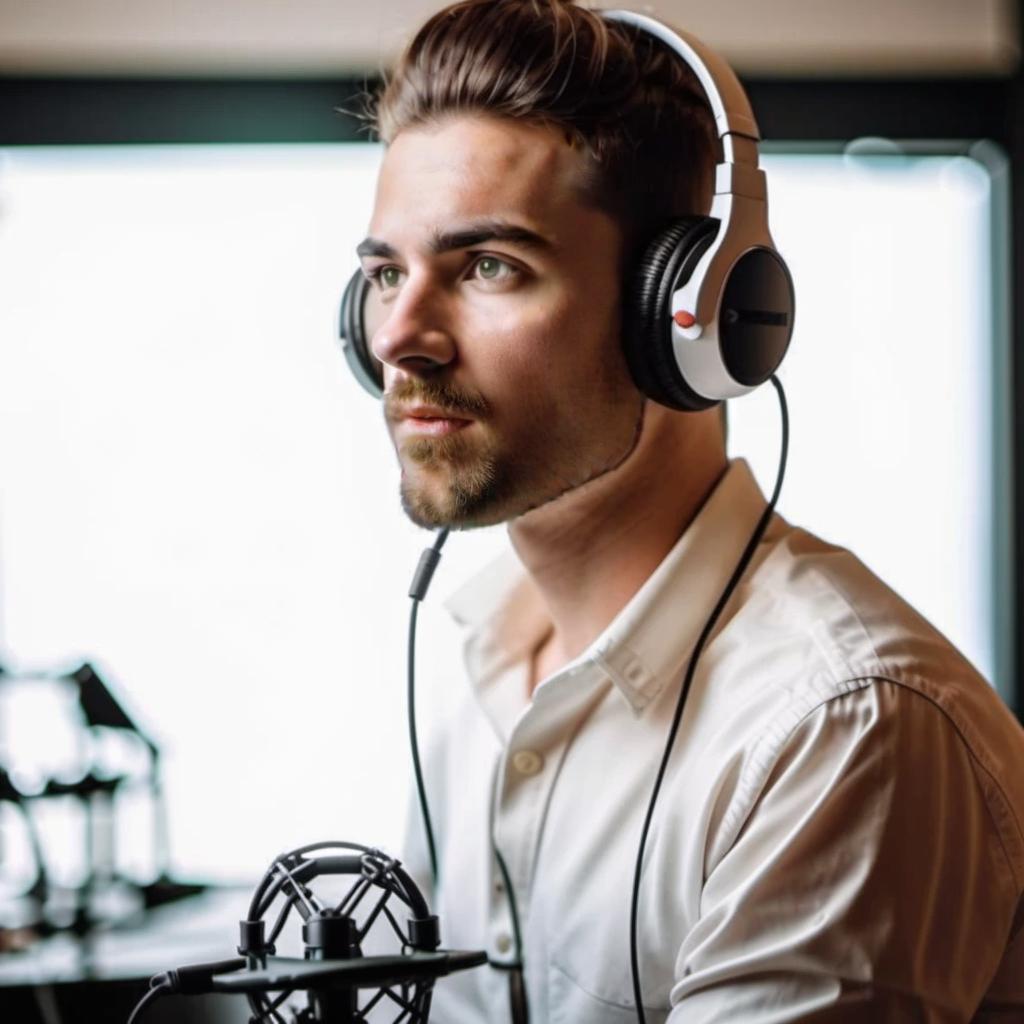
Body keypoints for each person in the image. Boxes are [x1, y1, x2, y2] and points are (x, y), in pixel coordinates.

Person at [347, 0, 1024, 1019]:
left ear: (690, 315)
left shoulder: (842, 729)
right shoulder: (476, 671)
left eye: (488, 266)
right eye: (385, 273)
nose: (400, 335)